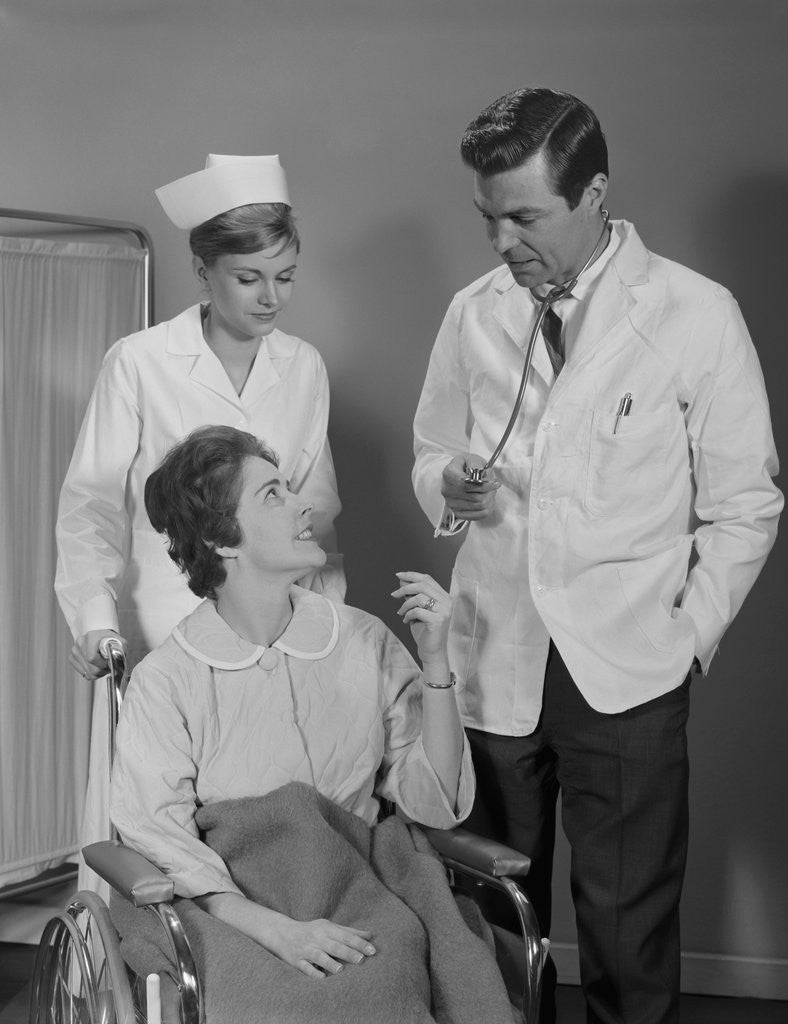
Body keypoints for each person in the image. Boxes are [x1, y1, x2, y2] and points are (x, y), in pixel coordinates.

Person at [412, 87, 782, 1024]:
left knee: (628, 932)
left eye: (525, 217)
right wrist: (447, 485)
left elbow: (746, 505)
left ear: (595, 194)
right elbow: (430, 449)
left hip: (627, 668)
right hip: (497, 651)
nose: (501, 241)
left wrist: (688, 634)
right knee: (494, 920)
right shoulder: (473, 312)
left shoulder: (695, 313)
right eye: (488, 217)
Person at [109, 425, 513, 1024]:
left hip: (360, 886)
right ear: (220, 539)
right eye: (272, 494)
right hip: (231, 909)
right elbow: (157, 835)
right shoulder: (166, 679)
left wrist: (436, 661)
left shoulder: (363, 639)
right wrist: (276, 930)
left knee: (385, 983)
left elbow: (435, 801)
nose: (306, 506)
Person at [55, 155, 345, 889]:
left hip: (272, 626)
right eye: (249, 278)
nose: (272, 297)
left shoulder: (303, 366)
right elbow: (90, 506)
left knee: (264, 823)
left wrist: (328, 626)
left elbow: (316, 510)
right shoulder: (140, 362)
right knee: (154, 822)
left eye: (285, 276)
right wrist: (93, 620)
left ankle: (252, 947)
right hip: (163, 622)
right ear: (202, 270)